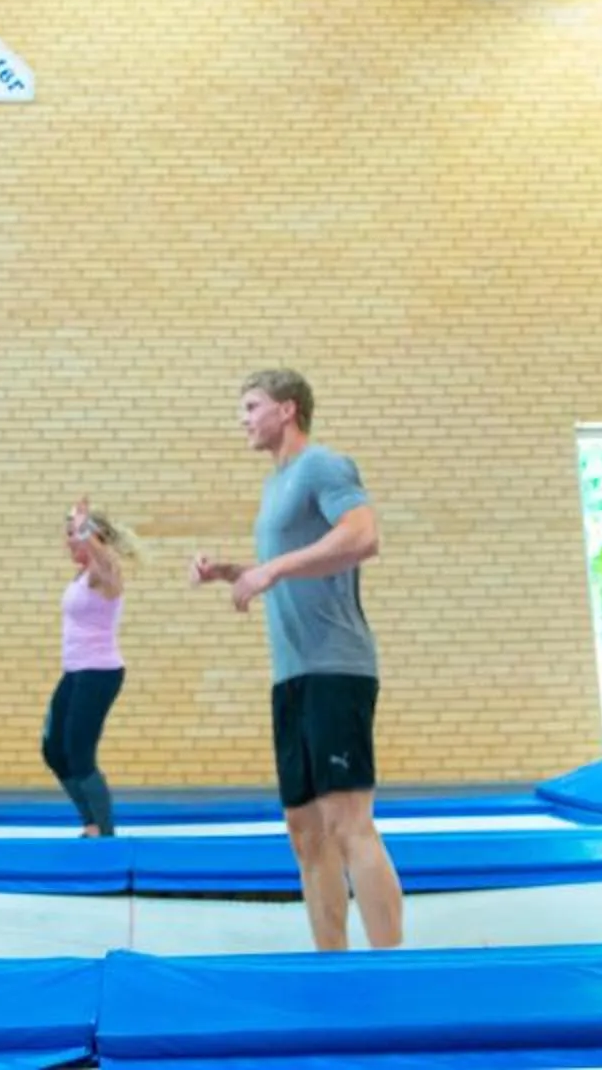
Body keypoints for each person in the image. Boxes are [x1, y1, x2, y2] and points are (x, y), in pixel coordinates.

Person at [191, 368, 402, 950]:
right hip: (293, 674)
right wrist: (234, 572)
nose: (243, 419)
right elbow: (290, 567)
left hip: (337, 666)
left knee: (347, 822)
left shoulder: (323, 465)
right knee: (305, 830)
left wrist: (272, 569)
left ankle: (392, 966)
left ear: (287, 410)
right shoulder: (274, 487)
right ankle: (330, 963)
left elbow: (364, 536)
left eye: (251, 406)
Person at [43, 497, 132, 836]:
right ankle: (91, 822)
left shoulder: (103, 574)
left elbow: (107, 562)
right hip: (76, 672)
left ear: (92, 538)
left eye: (74, 535)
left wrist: (85, 529)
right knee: (54, 750)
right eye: (68, 534)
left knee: (79, 754)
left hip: (99, 673)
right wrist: (81, 530)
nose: (68, 541)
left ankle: (105, 834)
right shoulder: (82, 576)